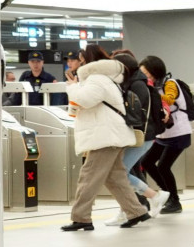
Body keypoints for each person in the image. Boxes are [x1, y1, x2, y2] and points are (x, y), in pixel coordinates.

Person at [60, 45, 150, 231]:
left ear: (87, 61)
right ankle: (136, 212)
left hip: (105, 136)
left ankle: (81, 217)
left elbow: (84, 100)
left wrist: (72, 87)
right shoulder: (104, 78)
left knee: (88, 176)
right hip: (111, 134)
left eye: (80, 60)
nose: (77, 64)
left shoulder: (97, 79)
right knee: (114, 177)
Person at [104, 51, 169, 225]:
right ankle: (130, 208)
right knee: (120, 173)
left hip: (141, 136)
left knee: (119, 173)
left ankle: (152, 197)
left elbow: (135, 113)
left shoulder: (137, 85)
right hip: (138, 136)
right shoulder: (134, 82)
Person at [138, 55, 190, 215]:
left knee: (163, 166)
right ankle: (166, 195)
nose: (145, 76)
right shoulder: (153, 86)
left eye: (147, 73)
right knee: (147, 162)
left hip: (179, 133)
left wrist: (151, 92)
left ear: (155, 71)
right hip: (163, 135)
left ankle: (174, 201)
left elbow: (169, 99)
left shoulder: (170, 83)